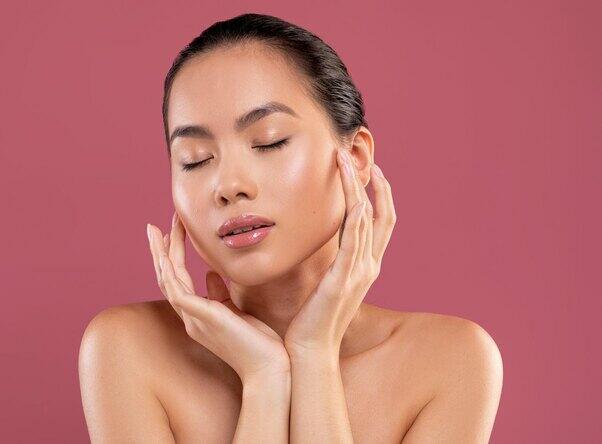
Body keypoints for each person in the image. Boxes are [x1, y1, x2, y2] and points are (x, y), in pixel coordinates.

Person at [78, 13, 503, 443]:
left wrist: (314, 354)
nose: (229, 186)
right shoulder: (127, 348)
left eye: (270, 141)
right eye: (195, 159)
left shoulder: (450, 361)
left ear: (355, 157)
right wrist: (264, 377)